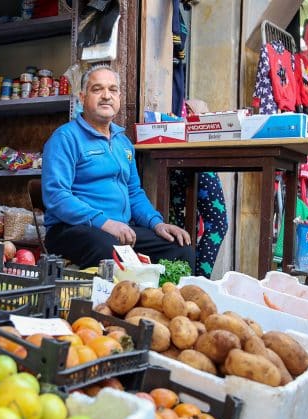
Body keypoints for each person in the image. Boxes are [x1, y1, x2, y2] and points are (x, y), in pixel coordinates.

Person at [41, 64, 196, 269]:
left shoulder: (123, 143)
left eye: (112, 90)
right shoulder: (65, 137)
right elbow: (56, 196)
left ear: (119, 97)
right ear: (82, 97)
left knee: (180, 250)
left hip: (119, 229)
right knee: (110, 249)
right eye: (97, 89)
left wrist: (156, 223)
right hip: (71, 229)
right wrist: (104, 223)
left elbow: (134, 193)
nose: (106, 95)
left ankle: (162, 301)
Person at [170, 99, 229, 278]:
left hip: (175, 147)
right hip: (186, 148)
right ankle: (197, 281)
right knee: (216, 223)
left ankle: (185, 281)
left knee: (182, 224)